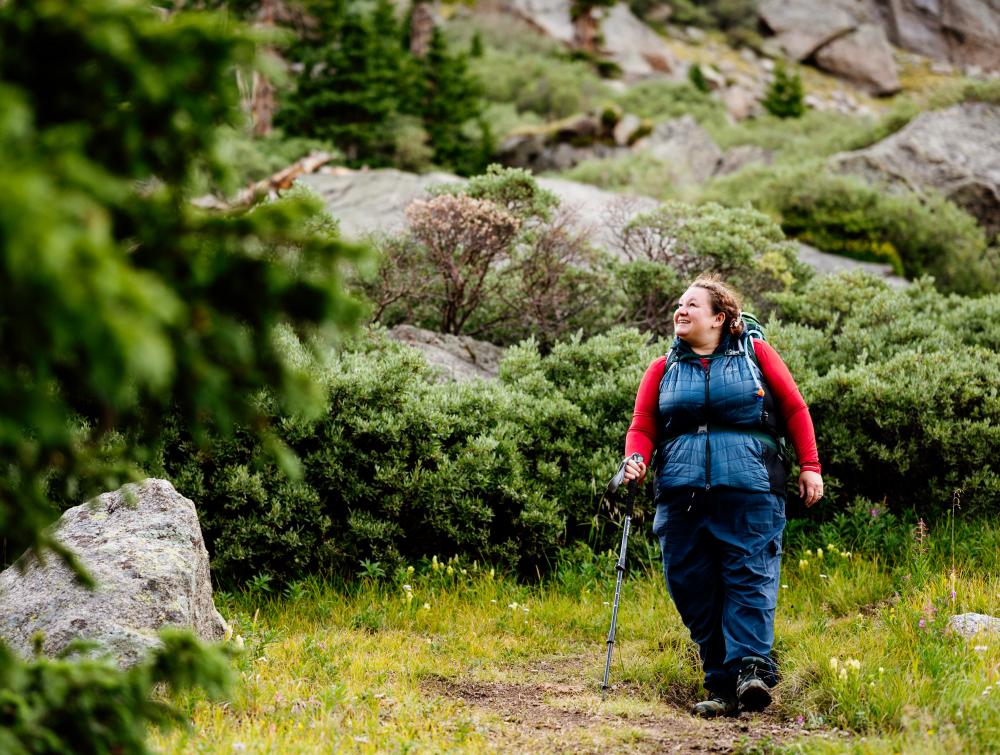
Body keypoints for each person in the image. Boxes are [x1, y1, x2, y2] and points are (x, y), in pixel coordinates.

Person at [622, 274, 822, 718]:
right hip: (680, 497)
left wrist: (811, 467)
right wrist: (634, 461)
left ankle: (750, 669)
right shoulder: (662, 369)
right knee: (691, 586)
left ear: (720, 317)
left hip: (751, 491)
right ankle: (721, 684)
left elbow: (794, 407)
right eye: (679, 303)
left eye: (693, 304)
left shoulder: (756, 354)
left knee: (749, 577)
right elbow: (642, 426)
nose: (682, 310)